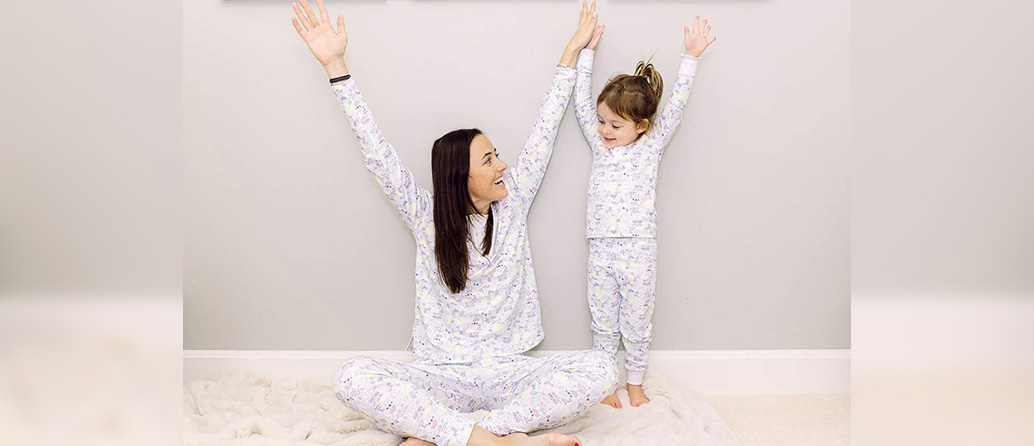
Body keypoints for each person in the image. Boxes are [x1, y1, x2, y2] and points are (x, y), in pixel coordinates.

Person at [290, 1, 617, 445]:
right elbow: (376, 153)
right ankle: (501, 440)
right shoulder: (426, 216)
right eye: (489, 159)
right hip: (440, 376)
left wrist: (570, 51)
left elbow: (546, 124)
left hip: (509, 373)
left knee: (601, 370)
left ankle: (465, 434)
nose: (503, 164)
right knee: (351, 377)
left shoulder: (513, 201)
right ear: (460, 178)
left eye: (497, 154)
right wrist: (335, 64)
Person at [572, 16, 716, 408]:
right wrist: (586, 54)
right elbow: (581, 105)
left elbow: (678, 108)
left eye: (615, 124)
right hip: (601, 247)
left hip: (638, 249)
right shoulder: (600, 144)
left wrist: (690, 58)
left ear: (641, 126)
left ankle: (635, 382)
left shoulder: (650, 147)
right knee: (602, 321)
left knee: (636, 320)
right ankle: (605, 383)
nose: (604, 129)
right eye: (603, 121)